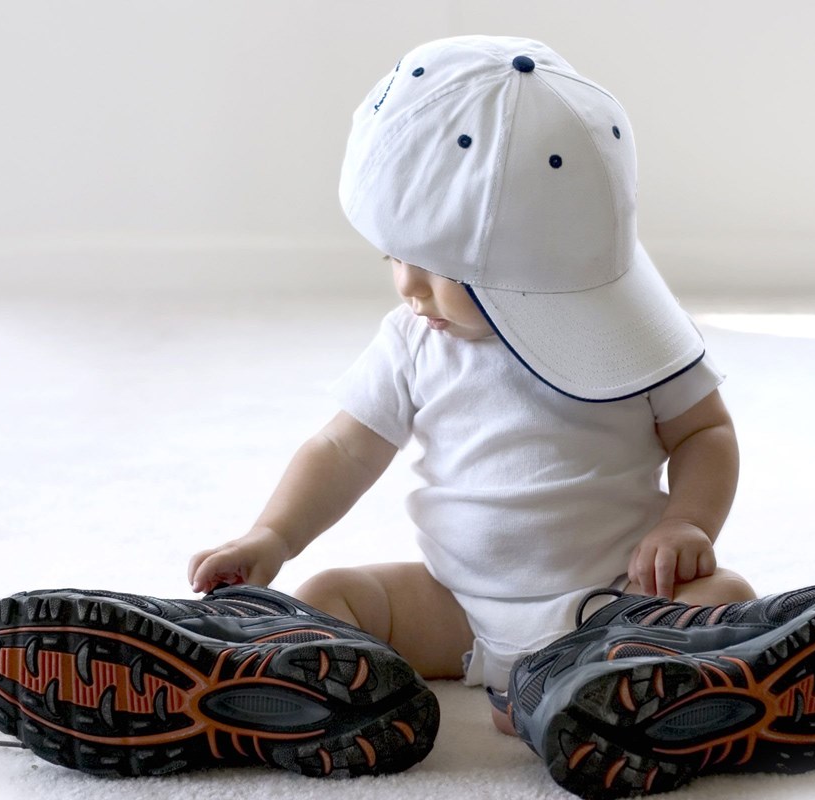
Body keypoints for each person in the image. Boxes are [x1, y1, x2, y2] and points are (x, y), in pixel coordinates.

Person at [187, 34, 757, 735]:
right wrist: (272, 535)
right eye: (394, 257)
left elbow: (705, 430)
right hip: (455, 606)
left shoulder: (627, 332)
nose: (408, 287)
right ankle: (321, 697)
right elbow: (342, 449)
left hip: (616, 603)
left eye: (436, 268)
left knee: (725, 596)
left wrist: (686, 523)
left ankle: (594, 691)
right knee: (331, 595)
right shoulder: (412, 339)